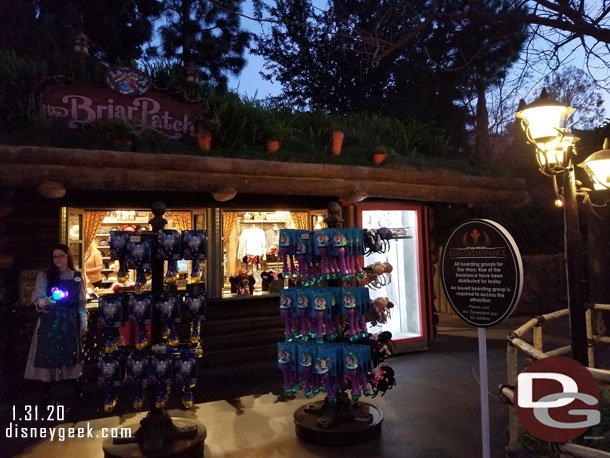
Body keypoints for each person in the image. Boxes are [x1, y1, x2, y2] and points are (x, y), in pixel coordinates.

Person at [25, 244, 88, 401]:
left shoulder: (77, 277)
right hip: (50, 321)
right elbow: (37, 301)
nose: (58, 259)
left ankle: (76, 389)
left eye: (61, 256)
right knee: (48, 355)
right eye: (55, 256)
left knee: (71, 354)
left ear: (68, 257)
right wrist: (47, 301)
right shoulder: (45, 276)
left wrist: (83, 323)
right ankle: (46, 393)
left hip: (70, 321)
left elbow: (81, 304)